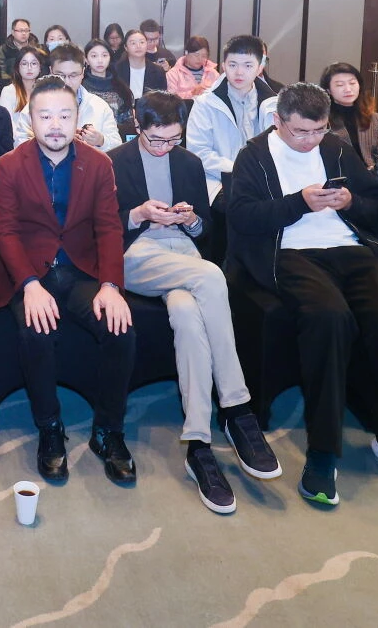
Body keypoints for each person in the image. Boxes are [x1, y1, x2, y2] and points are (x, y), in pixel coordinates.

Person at [224, 82, 378, 509]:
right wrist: (299, 202)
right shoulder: (254, 155)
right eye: (301, 131)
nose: (310, 140)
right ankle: (322, 450)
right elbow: (242, 217)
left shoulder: (335, 148)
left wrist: (350, 201)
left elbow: (377, 206)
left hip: (349, 249)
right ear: (278, 121)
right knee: (329, 320)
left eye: (318, 130)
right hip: (290, 253)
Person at [109, 92, 279, 513]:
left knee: (187, 314)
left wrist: (190, 219)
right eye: (156, 139)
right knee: (212, 275)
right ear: (137, 124)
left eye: (173, 139)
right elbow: (100, 228)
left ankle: (198, 442)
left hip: (182, 255)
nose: (164, 147)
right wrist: (140, 214)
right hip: (135, 255)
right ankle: (237, 406)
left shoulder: (187, 162)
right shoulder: (113, 161)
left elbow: (205, 230)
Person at [0, 76, 137, 486]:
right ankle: (49, 427)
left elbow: (109, 228)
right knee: (35, 330)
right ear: (30, 120)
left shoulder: (99, 163)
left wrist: (111, 286)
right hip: (29, 271)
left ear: (77, 119)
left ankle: (108, 430)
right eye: (45, 116)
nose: (55, 125)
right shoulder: (10, 164)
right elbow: (5, 232)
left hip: (82, 269)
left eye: (64, 116)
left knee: (121, 328)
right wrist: (28, 285)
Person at [185, 35, 281, 200]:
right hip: (219, 182)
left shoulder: (274, 104)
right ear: (223, 66)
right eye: (232, 65)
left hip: (264, 182)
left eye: (248, 65)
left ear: (260, 67)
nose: (239, 72)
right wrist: (240, 171)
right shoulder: (205, 103)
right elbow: (199, 152)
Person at [14, 45, 122, 152]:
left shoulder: (100, 106)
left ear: (83, 72)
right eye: (61, 75)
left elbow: (117, 147)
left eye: (73, 75)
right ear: (51, 71)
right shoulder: (35, 106)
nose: (67, 82)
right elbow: (20, 146)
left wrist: (101, 141)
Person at [320, 62, 378, 170]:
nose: (348, 89)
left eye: (352, 83)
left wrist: (374, 169)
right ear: (328, 90)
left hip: (371, 174)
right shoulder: (322, 119)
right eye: (340, 85)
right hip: (338, 175)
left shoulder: (375, 118)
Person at [81, 39, 134, 135]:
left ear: (110, 58)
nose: (100, 60)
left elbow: (128, 125)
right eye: (94, 56)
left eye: (104, 55)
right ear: (86, 60)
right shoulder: (81, 88)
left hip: (116, 139)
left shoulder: (121, 89)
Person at [113, 30, 170, 103]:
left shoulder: (158, 71)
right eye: (133, 43)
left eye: (142, 42)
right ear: (126, 47)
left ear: (146, 45)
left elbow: (162, 100)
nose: (138, 46)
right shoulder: (116, 70)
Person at [0, 45, 47, 117]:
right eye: (24, 64)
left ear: (40, 68)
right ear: (17, 68)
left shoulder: (46, 92)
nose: (29, 68)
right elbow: (6, 122)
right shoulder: (8, 91)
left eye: (34, 63)